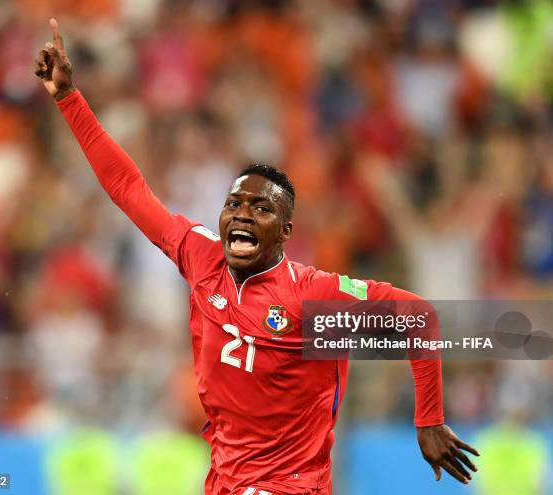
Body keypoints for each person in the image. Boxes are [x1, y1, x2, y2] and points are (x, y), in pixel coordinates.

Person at [34, 18, 479, 495]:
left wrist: (428, 419)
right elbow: (126, 187)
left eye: (261, 208)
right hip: (224, 482)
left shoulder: (315, 298)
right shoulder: (200, 256)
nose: (242, 216)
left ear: (285, 231)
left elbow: (417, 317)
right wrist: (68, 99)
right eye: (234, 205)